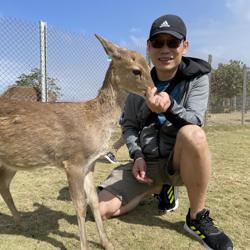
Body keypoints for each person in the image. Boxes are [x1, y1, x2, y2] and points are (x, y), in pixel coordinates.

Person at [98, 14, 233, 250]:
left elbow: (196, 120)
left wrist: (170, 107)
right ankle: (157, 187)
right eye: (158, 42)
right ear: (149, 47)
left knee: (194, 134)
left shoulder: (197, 78)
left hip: (178, 161)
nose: (165, 49)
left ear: (185, 46)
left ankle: (196, 217)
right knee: (99, 210)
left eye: (173, 42)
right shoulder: (137, 79)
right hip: (147, 162)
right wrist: (137, 155)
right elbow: (129, 125)